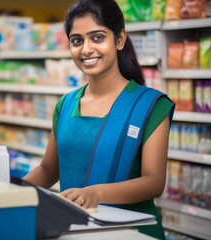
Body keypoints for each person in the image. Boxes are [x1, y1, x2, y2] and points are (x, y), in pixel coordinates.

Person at [23, 0, 175, 238]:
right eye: (77, 41)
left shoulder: (149, 105)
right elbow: (47, 169)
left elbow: (154, 182)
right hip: (75, 229)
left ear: (120, 39)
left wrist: (96, 194)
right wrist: (10, 193)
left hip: (134, 234)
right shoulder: (66, 104)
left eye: (97, 37)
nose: (85, 49)